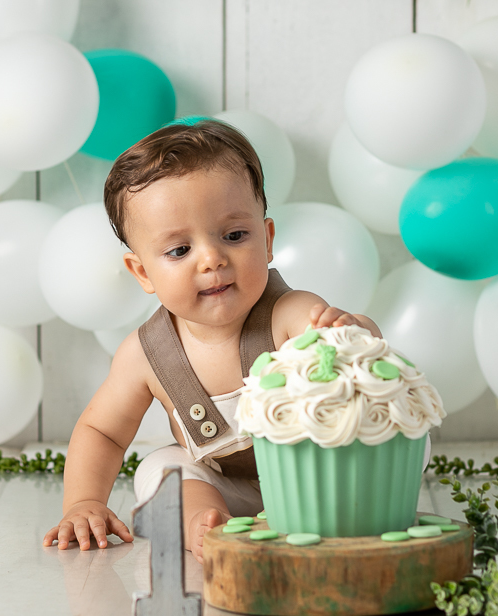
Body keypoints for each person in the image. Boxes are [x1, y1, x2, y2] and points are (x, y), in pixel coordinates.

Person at [43, 119, 380, 562]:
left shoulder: (288, 314)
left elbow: (355, 349)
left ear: (267, 238)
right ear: (143, 272)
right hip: (230, 489)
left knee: (365, 445)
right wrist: (83, 502)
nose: (212, 259)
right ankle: (204, 524)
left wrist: (351, 329)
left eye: (235, 235)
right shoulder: (146, 356)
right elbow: (102, 431)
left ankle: (298, 517)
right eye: (179, 250)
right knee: (160, 469)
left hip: (315, 480)